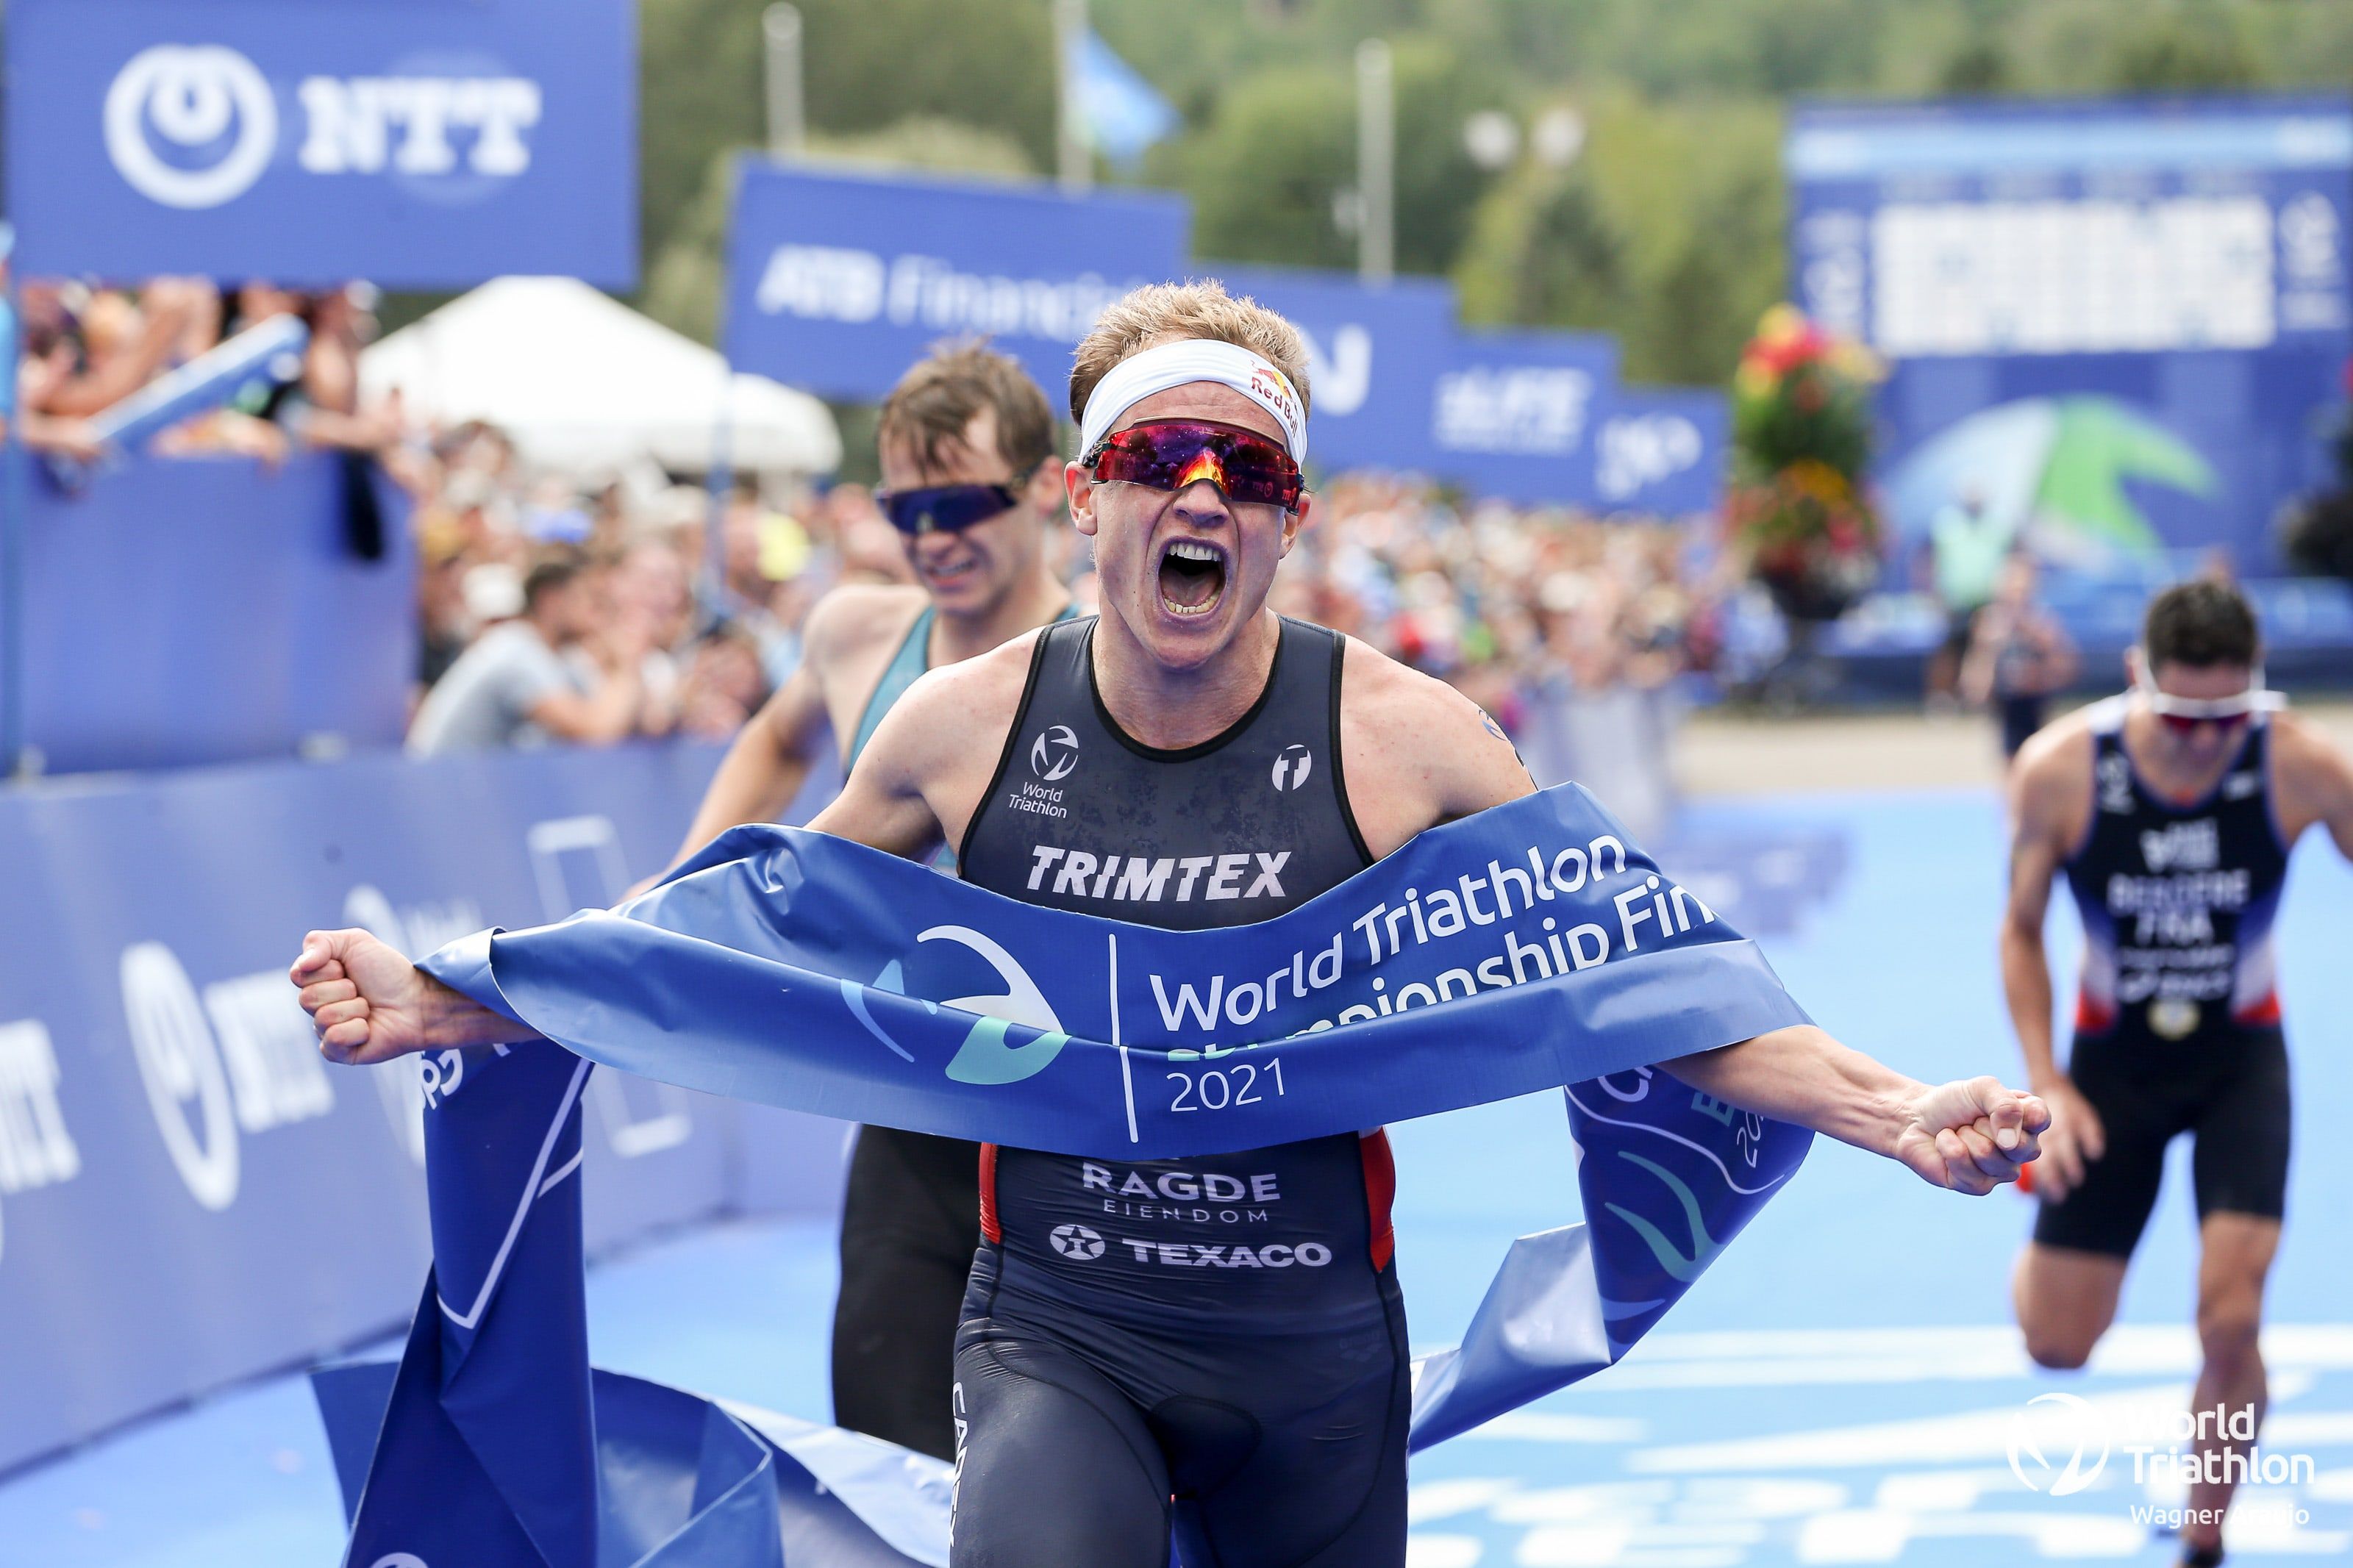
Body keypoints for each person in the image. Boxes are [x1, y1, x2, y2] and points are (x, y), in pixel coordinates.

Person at [293, 282, 2048, 1568]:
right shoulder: (960, 727)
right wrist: (461, 990)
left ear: (1287, 522)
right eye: (1158, 454)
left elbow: (1655, 988)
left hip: (1313, 1355)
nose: (1200, 487)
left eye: (1248, 466)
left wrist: (1899, 1113)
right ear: (1092, 500)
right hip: (1060, 1320)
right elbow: (754, 932)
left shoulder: (1407, 738)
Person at [638, 340, 1076, 1461]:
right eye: (906, 506)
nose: (933, 537)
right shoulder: (859, 632)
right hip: (912, 1105)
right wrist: (691, 879)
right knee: (888, 1452)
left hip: (1073, 1119)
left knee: (1074, 1479)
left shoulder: (1106, 661)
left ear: (1042, 486)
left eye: (963, 501)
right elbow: (775, 739)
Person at [2001, 579, 2353, 1568]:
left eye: (2228, 717)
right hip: (2109, 1075)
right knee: (2056, 1345)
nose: (2205, 740)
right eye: (2183, 715)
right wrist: (2048, 1085)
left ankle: (2205, 1532)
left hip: (2241, 1060)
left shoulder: (2302, 764)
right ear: (2134, 679)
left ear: (2260, 692)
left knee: (2232, 1315)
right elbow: (2020, 932)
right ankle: (2044, 1248)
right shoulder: (2062, 769)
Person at [407, 553, 650, 755]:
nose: (599, 613)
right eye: (590, 598)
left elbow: (627, 720)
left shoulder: (565, 659)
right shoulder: (515, 650)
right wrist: (627, 663)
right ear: (551, 600)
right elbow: (594, 733)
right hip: (442, 795)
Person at [1962, 552, 2079, 758]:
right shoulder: (1990, 626)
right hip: (2006, 714)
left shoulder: (2043, 623)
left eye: (2022, 590)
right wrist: (1990, 650)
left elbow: (2068, 671)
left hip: (2037, 711)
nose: (2017, 599)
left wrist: (2041, 643)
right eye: (2012, 589)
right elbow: (1974, 689)